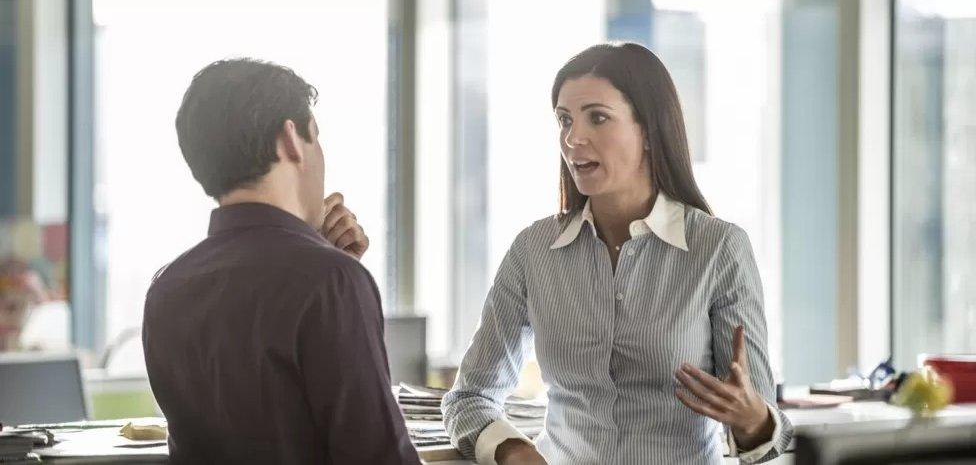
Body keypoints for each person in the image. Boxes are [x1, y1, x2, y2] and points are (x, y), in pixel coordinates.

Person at [442, 43, 793, 464]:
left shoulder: (718, 249)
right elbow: (468, 397)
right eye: (564, 120)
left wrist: (753, 421)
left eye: (598, 118)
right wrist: (513, 450)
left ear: (648, 130)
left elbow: (767, 438)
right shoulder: (532, 252)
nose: (573, 138)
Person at [143, 58, 421, 465]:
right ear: (291, 138)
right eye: (316, 138)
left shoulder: (166, 287)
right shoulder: (330, 282)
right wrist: (338, 276)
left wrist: (324, 259)